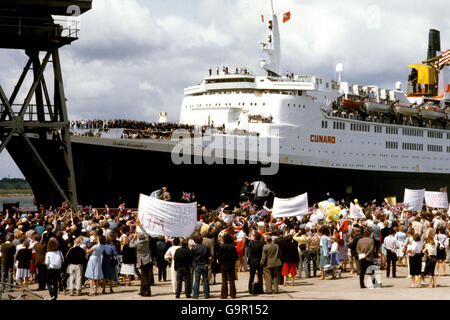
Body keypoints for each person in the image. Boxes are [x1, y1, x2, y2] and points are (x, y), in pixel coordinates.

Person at [129, 219, 153, 297]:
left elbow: (130, 245)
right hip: (148, 259)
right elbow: (146, 233)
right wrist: (140, 225)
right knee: (146, 276)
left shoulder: (137, 243)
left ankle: (147, 291)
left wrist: (133, 238)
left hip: (142, 260)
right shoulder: (146, 241)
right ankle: (142, 290)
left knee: (144, 276)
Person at [218, 233, 238, 299]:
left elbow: (219, 256)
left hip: (223, 264)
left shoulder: (221, 246)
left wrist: (221, 263)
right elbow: (236, 256)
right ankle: (233, 294)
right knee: (231, 279)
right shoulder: (232, 246)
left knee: (224, 280)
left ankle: (224, 295)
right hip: (231, 264)